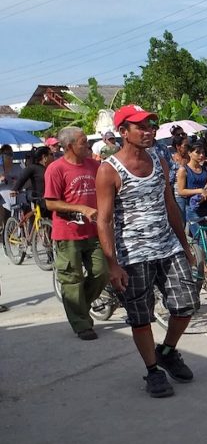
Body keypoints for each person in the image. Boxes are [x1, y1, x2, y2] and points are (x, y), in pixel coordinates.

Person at [96, 105, 200, 398]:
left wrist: (184, 244)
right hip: (132, 255)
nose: (148, 131)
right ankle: (153, 371)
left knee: (186, 303)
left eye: (151, 125)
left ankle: (167, 351)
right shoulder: (108, 170)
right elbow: (103, 220)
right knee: (141, 317)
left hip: (167, 247)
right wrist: (112, 264)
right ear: (123, 132)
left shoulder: (158, 159)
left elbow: (169, 203)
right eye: (140, 126)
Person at [44, 127, 107, 340]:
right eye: (83, 142)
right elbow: (51, 203)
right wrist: (81, 208)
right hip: (67, 234)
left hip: (94, 231)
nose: (87, 145)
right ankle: (81, 323)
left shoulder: (95, 165)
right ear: (69, 146)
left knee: (102, 273)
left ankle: (80, 306)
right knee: (73, 279)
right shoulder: (56, 169)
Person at [176, 141, 207, 241]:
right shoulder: (183, 170)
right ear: (189, 153)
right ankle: (198, 255)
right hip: (193, 208)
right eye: (198, 152)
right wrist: (199, 190)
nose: (201, 155)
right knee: (201, 240)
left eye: (203, 153)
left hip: (206, 205)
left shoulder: (206, 169)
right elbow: (181, 191)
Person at [14, 146, 52, 221]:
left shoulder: (51, 168)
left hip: (48, 198)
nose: (53, 156)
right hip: (36, 197)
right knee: (34, 218)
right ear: (44, 157)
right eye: (51, 154)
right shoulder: (33, 167)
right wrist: (15, 189)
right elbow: (22, 178)